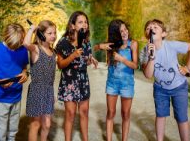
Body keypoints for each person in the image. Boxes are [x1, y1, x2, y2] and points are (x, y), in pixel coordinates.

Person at [140, 19, 190, 141]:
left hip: (179, 87)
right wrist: (152, 57)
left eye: (155, 27)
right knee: (160, 115)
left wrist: (187, 67)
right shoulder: (145, 51)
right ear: (146, 34)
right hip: (160, 89)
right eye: (148, 28)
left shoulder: (171, 45)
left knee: (181, 117)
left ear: (163, 34)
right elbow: (148, 75)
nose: (151, 29)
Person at [55, 11, 98, 141]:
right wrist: (73, 55)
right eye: (80, 22)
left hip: (83, 82)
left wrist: (91, 60)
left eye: (86, 22)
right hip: (69, 82)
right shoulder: (63, 42)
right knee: (70, 114)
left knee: (84, 112)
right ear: (73, 25)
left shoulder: (86, 42)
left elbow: (85, 60)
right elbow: (60, 65)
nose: (84, 24)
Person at [0, 23, 29, 141]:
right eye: (12, 45)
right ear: (6, 37)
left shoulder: (23, 49)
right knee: (0, 133)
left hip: (16, 97)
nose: (15, 48)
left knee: (13, 131)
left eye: (18, 43)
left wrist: (25, 73)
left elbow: (24, 67)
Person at [95, 19, 138, 141]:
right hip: (112, 84)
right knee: (110, 113)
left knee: (125, 114)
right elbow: (93, 48)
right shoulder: (112, 45)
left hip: (127, 85)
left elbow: (135, 65)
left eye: (125, 29)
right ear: (115, 34)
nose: (124, 33)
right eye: (121, 31)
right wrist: (100, 46)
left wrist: (122, 59)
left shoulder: (133, 44)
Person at [23, 20, 57, 141]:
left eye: (54, 33)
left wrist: (52, 94)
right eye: (50, 33)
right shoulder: (36, 49)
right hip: (37, 90)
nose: (53, 35)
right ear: (42, 34)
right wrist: (32, 29)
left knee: (47, 124)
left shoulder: (53, 52)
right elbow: (26, 44)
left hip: (48, 91)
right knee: (35, 124)